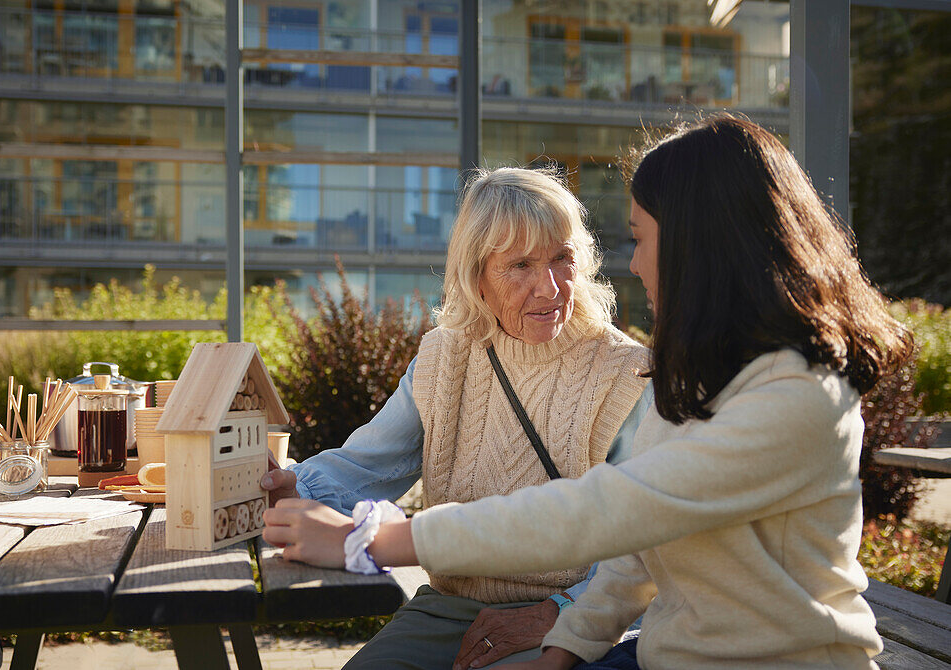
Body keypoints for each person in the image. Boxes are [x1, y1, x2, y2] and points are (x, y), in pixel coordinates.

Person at [264, 114, 914, 670]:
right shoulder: (708, 374)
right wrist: (565, 650)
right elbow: (640, 545)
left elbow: (607, 509)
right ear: (477, 277)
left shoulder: (794, 397)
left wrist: (375, 540)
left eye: (639, 238)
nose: (630, 263)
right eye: (520, 265)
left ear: (701, 248)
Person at [260, 165, 652, 669]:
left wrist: (556, 612)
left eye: (562, 258)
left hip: (571, 617)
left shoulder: (625, 376)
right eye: (521, 266)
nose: (550, 288)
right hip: (449, 610)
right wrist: (282, 485)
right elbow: (364, 466)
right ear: (477, 277)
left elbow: (642, 550)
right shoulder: (445, 358)